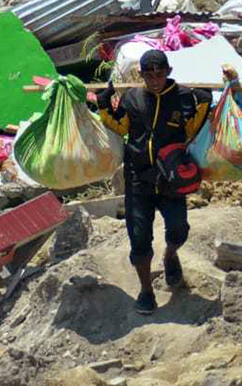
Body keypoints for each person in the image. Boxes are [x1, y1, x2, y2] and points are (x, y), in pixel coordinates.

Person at [93, 49, 212, 315]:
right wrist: (103, 105)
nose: (155, 79)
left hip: (171, 178)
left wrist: (204, 103)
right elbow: (121, 127)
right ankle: (146, 291)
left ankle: (170, 255)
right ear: (142, 75)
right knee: (139, 238)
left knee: (179, 229)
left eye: (160, 74)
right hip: (138, 179)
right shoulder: (133, 98)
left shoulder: (183, 98)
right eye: (149, 74)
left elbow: (192, 130)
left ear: (168, 72)